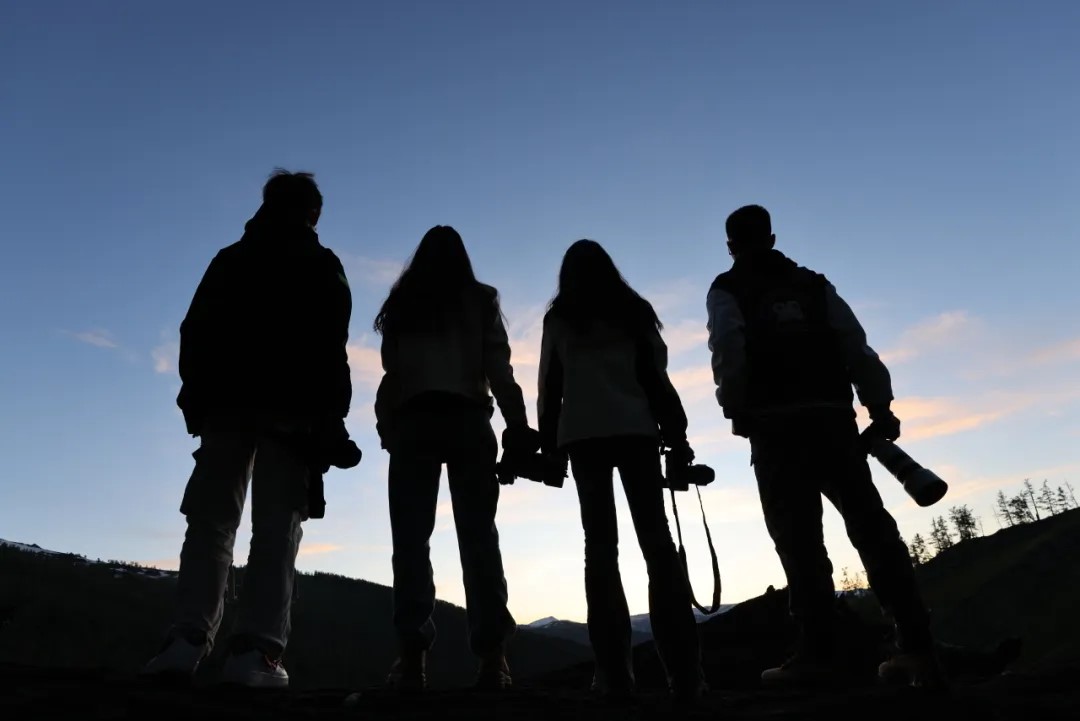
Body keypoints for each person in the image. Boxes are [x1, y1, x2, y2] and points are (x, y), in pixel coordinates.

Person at [705, 204, 944, 687]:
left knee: (799, 542)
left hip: (775, 429)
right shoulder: (814, 284)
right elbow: (855, 344)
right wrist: (879, 406)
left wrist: (735, 408)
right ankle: (916, 643)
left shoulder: (727, 288)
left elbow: (728, 347)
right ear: (772, 238)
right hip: (834, 421)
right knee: (873, 529)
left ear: (730, 246)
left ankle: (818, 653)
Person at [141, 170, 358, 689]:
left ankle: (186, 641)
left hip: (225, 408)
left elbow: (194, 331)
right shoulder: (322, 265)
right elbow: (331, 349)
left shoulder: (230, 260)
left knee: (211, 522)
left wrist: (196, 399)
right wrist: (332, 419)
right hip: (292, 414)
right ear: (313, 214)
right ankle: (256, 652)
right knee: (276, 530)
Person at [538, 240, 706, 703]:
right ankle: (685, 674)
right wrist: (677, 437)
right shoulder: (634, 312)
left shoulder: (561, 318)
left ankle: (613, 676)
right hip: (637, 433)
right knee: (658, 545)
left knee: (600, 549)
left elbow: (550, 385)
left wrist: (550, 448)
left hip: (582, 437)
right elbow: (656, 378)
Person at [373, 225, 530, 692]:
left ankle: (412, 660)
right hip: (468, 421)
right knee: (479, 540)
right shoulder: (481, 300)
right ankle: (492, 660)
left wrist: (387, 427)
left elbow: (392, 373)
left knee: (410, 542)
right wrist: (517, 425)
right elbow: (498, 368)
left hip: (414, 422)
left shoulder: (402, 304)